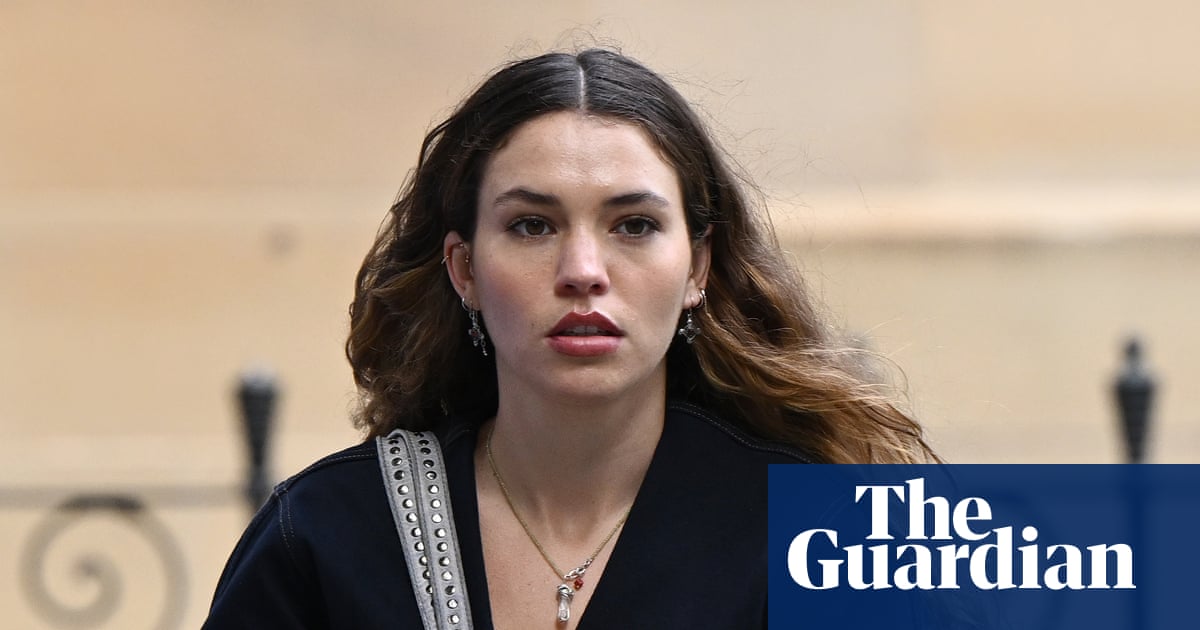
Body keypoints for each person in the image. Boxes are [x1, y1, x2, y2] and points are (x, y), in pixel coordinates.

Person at [202, 48, 936, 629]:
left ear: (697, 267)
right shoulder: (329, 535)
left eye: (634, 225)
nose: (583, 271)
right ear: (464, 269)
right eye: (532, 225)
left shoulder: (822, 533)